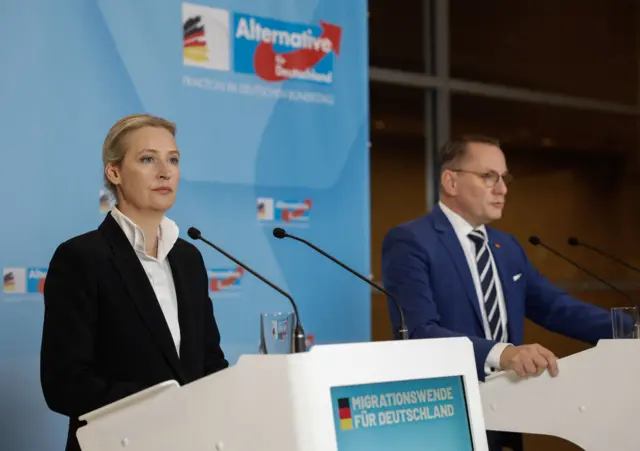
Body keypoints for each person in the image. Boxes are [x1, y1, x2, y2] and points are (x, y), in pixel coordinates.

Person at [381, 135, 613, 451]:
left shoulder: (506, 247)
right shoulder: (411, 241)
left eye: (504, 178)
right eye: (489, 177)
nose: (502, 189)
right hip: (449, 415)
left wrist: (629, 329)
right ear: (451, 181)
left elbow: (554, 307)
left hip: (508, 411)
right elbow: (419, 332)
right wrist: (503, 354)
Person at [40, 114, 229, 451]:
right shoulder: (81, 257)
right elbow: (64, 384)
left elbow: (210, 362)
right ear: (114, 173)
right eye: (147, 159)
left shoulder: (189, 258)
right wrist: (163, 408)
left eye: (173, 159)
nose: (165, 171)